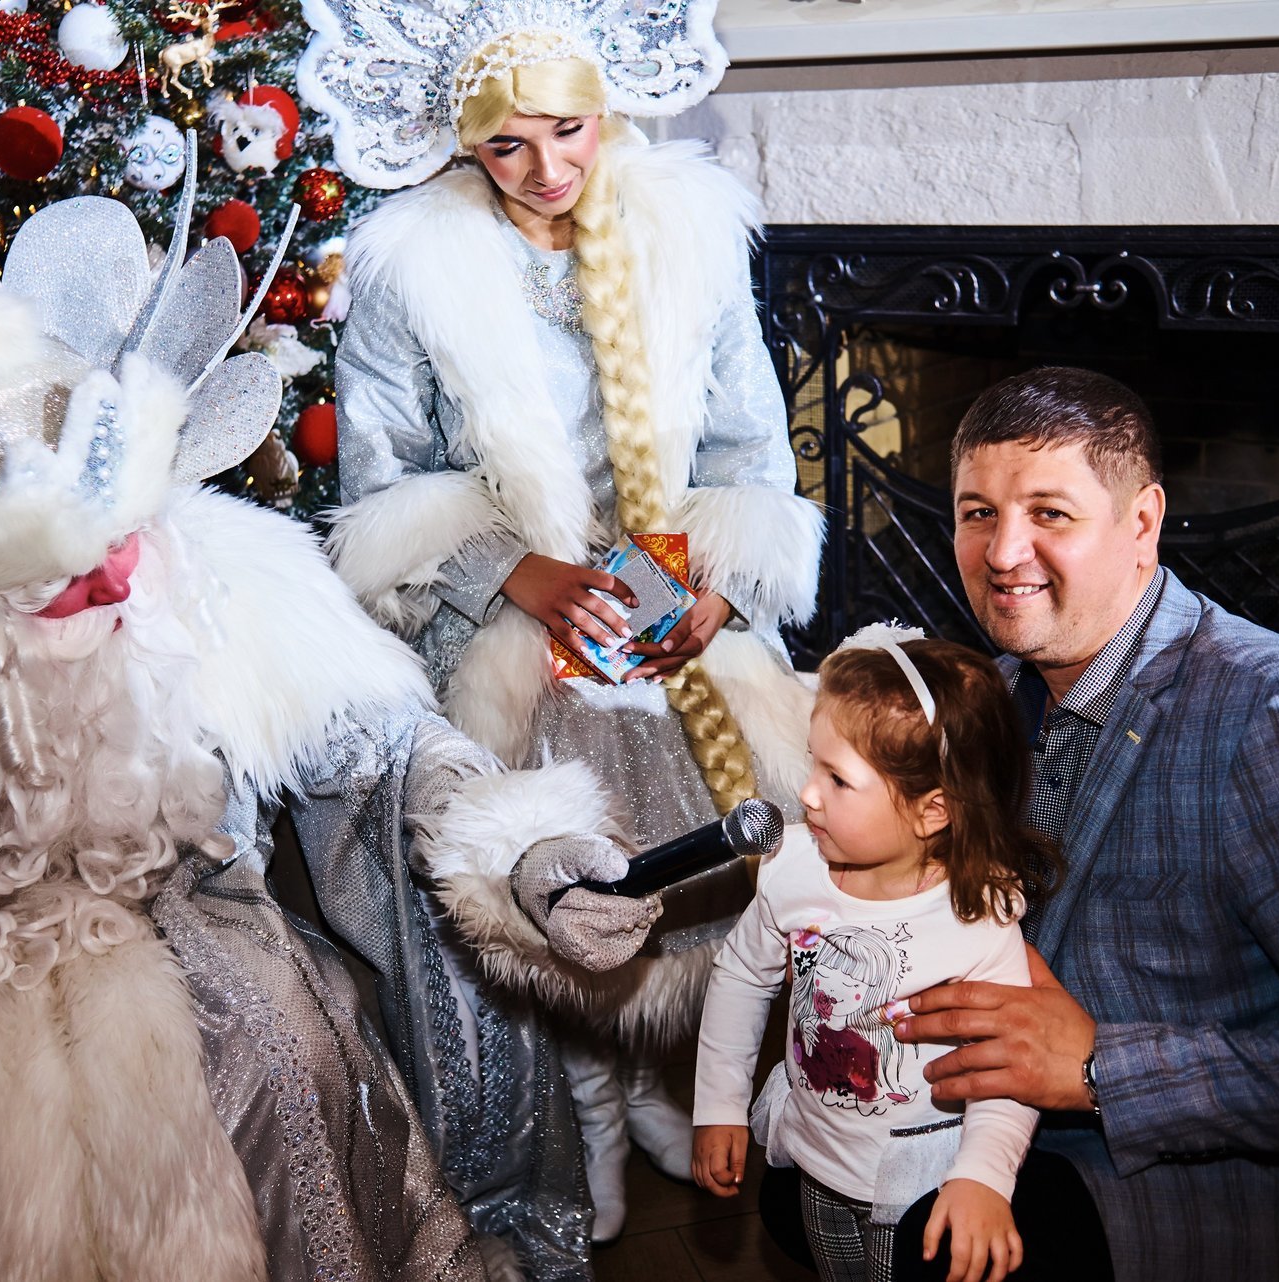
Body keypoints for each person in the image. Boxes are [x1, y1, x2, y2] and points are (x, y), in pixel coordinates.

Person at [0, 172, 651, 1281]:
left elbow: (390, 753)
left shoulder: (218, 586)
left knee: (273, 1067)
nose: (92, 592)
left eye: (99, 558)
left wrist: (522, 849)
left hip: (193, 940)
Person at [300, 0, 824, 1243]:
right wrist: (514, 572)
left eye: (569, 131)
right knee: (555, 839)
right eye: (508, 145)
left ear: (609, 111)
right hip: (502, 601)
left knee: (703, 821)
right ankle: (585, 1093)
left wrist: (720, 583)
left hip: (668, 588)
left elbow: (752, 445)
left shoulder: (689, 231)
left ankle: (649, 1073)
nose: (548, 170)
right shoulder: (411, 266)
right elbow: (382, 483)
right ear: (462, 143)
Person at [888, 366, 1279, 1280]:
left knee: (944, 1254)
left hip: (1246, 1183)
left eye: (1050, 513)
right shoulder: (993, 697)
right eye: (978, 513)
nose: (1003, 552)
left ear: (1142, 522)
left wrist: (1102, 1069)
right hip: (1014, 1125)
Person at [693, 630, 1048, 1282]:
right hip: (815, 1154)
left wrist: (984, 1177)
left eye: (837, 779)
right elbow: (741, 975)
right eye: (813, 764)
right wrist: (718, 1104)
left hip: (919, 1178)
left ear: (931, 811)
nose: (807, 794)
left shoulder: (976, 916)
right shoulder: (792, 866)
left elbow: (1010, 1064)